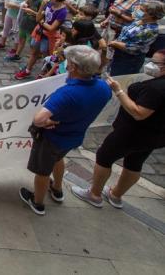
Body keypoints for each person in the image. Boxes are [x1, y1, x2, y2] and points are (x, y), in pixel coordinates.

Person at [19, 45, 111, 216]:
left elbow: (38, 120)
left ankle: (37, 202)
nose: (66, 64)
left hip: (52, 138)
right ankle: (57, 188)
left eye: (69, 62)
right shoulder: (103, 88)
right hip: (73, 137)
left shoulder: (67, 93)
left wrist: (48, 122)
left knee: (42, 171)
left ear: (73, 67)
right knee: (58, 159)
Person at [71, 50, 165, 209]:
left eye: (156, 63)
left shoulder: (156, 88)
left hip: (133, 132)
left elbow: (138, 113)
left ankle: (94, 194)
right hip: (155, 135)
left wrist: (118, 90)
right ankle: (115, 195)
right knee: (134, 163)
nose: (150, 65)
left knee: (104, 156)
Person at [108, 0, 165, 75]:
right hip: (119, 54)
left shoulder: (150, 30)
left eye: (141, 10)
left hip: (129, 59)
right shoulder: (141, 20)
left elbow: (134, 48)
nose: (138, 11)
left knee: (120, 78)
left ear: (150, 15)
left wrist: (115, 43)